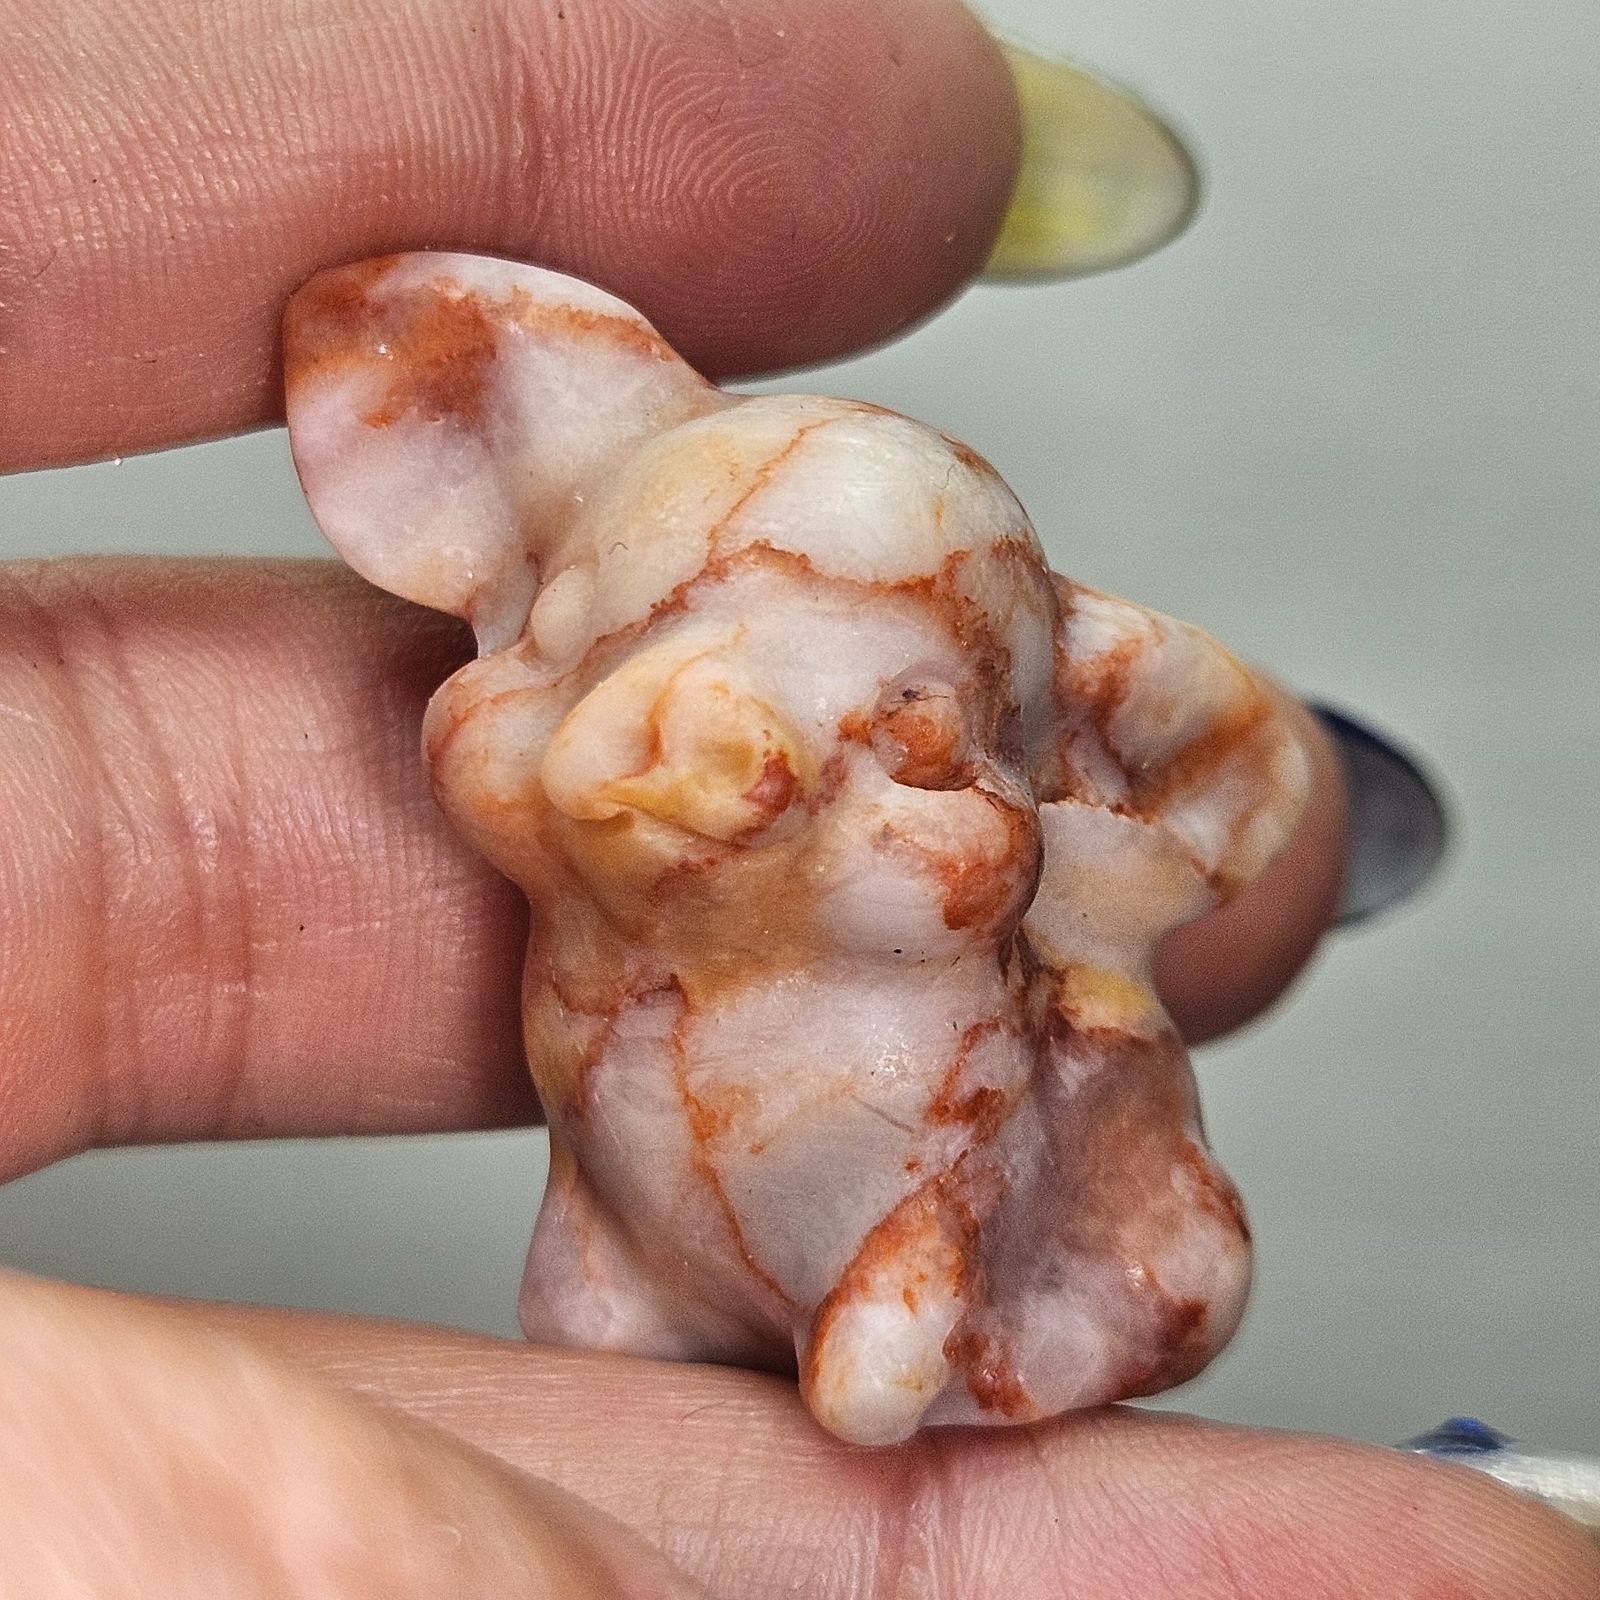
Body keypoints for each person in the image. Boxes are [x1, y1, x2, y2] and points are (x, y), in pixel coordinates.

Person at [0, 0, 1594, 1593]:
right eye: (625, 643)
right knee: (608, 1267)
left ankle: (922, 1298)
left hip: (933, 1215)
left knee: (985, 1274)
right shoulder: (584, 863)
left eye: (916, 733)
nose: (740, 755)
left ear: (1076, 787)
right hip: (638, 1191)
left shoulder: (983, 984)